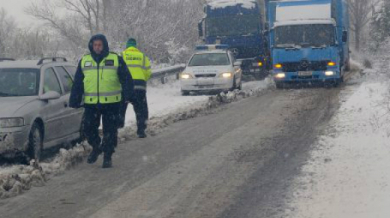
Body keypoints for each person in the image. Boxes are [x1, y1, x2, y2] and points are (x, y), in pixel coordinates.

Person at [69, 34, 133, 168]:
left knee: (110, 131)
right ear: (91, 46)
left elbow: (126, 79)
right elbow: (78, 83)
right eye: (95, 45)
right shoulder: (85, 61)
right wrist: (74, 98)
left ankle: (108, 156)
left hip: (111, 104)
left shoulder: (115, 59)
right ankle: (97, 147)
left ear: (104, 45)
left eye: (100, 45)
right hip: (91, 104)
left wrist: (127, 95)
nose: (97, 48)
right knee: (88, 129)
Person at [119, 38, 152, 138]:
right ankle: (141, 130)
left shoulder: (122, 55)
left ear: (127, 46)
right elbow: (148, 72)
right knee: (141, 109)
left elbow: (117, 71)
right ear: (135, 46)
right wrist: (142, 79)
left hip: (125, 87)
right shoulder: (142, 56)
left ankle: (119, 128)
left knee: (120, 108)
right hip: (139, 87)